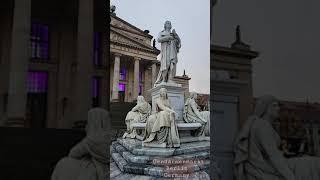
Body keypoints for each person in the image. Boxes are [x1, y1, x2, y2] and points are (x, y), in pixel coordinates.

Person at [234, 95, 320, 180]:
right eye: (274, 105)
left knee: (310, 163)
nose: (278, 108)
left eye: (278, 105)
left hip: (272, 165)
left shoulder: (264, 125)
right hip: (267, 167)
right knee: (311, 164)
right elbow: (274, 156)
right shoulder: (262, 126)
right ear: (266, 108)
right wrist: (290, 176)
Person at [51, 108, 109, 180]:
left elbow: (73, 153)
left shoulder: (92, 139)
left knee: (64, 164)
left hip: (97, 168)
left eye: (88, 122)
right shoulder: (109, 138)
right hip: (100, 167)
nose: (86, 127)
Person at [154, 21, 181, 86]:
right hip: (166, 51)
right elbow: (159, 39)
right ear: (165, 25)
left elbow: (178, 43)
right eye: (167, 23)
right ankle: (163, 80)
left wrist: (176, 36)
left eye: (170, 23)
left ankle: (170, 79)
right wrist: (168, 38)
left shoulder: (173, 34)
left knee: (172, 64)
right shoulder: (162, 32)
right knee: (166, 64)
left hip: (173, 51)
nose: (169, 24)